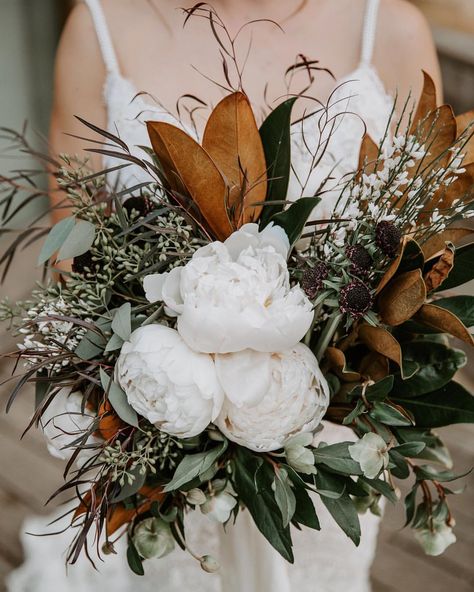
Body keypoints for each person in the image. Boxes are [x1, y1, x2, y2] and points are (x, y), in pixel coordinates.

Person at [8, 1, 442, 591]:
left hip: (327, 454)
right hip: (162, 455)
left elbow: (415, 266)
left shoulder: (390, 29)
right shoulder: (99, 26)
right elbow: (73, 260)